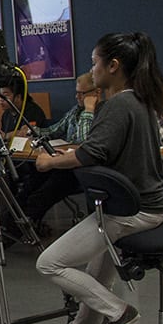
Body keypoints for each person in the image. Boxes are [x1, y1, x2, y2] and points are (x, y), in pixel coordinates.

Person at [33, 32, 163, 324]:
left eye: (95, 62)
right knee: (94, 281)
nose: (92, 69)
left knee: (49, 263)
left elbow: (91, 154)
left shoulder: (119, 104)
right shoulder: (140, 100)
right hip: (145, 207)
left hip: (128, 212)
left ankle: (119, 311)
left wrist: (49, 162)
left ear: (113, 65)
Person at [15, 73, 99, 226]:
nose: (77, 97)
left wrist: (89, 110)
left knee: (42, 194)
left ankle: (23, 225)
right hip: (63, 162)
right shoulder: (75, 111)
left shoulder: (100, 112)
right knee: (30, 185)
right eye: (77, 93)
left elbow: (84, 142)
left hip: (79, 169)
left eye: (82, 93)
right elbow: (54, 130)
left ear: (96, 93)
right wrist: (33, 131)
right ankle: (9, 222)